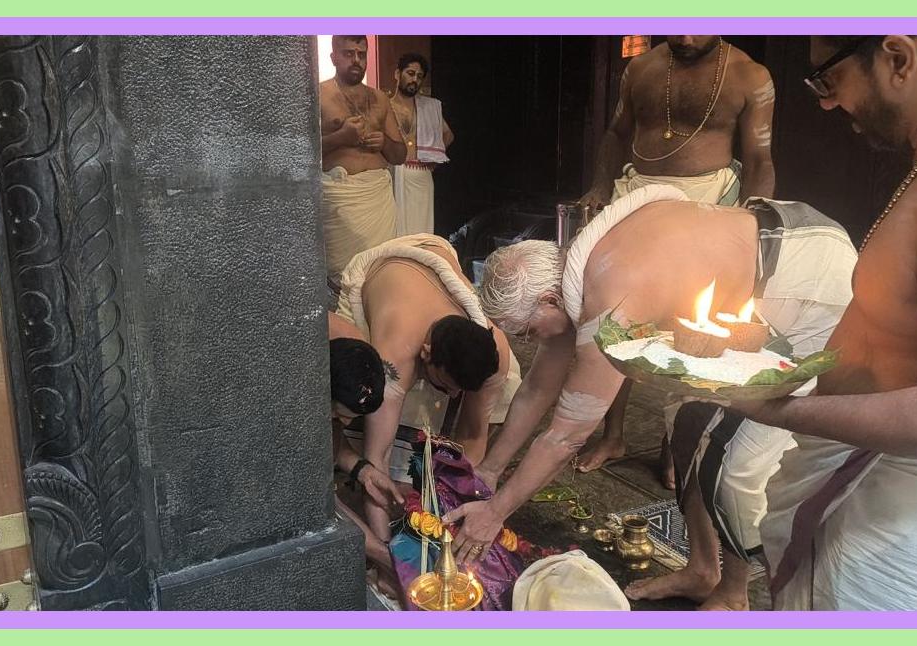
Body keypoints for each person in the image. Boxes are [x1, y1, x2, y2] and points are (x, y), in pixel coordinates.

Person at [448, 185, 855, 612]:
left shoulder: (612, 295)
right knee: (685, 422)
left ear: (549, 300)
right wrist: (489, 472)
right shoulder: (573, 274)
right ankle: (703, 570)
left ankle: (734, 594)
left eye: (529, 331)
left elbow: (567, 436)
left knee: (732, 461)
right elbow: (536, 389)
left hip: (808, 280)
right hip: (766, 264)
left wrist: (494, 514)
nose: (531, 342)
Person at [729, 35, 917, 610]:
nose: (826, 101)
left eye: (827, 77)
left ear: (897, 58)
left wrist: (777, 410)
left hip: (903, 528)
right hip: (869, 485)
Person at [576, 36, 777, 482]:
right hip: (638, 198)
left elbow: (759, 157)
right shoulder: (640, 69)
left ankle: (673, 446)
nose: (685, 37)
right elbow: (616, 133)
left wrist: (751, 218)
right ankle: (613, 434)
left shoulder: (749, 76)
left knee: (691, 326)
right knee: (617, 320)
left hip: (707, 203)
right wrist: (600, 185)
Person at [334, 233, 520, 541]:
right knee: (367, 401)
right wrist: (388, 550)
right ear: (426, 353)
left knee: (506, 382)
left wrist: (452, 501)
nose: (455, 396)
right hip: (382, 270)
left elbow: (474, 435)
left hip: (436, 255)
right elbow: (376, 462)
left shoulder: (494, 350)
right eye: (446, 385)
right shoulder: (394, 358)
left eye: (460, 389)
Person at [327, 314, 404, 597]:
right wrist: (386, 558)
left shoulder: (354, 358)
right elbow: (322, 505)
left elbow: (331, 442)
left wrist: (364, 471)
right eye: (339, 414)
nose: (346, 423)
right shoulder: (293, 411)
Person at [319, 35, 406, 284]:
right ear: (333, 58)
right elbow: (300, 154)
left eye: (361, 54)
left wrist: (385, 143)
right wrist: (341, 137)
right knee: (344, 280)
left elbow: (400, 155)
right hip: (342, 200)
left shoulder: (380, 99)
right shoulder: (318, 95)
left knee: (380, 273)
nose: (356, 60)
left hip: (377, 197)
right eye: (348, 54)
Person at [388, 53, 454, 236]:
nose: (414, 80)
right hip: (393, 173)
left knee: (421, 230)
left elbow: (448, 135)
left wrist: (435, 156)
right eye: (410, 73)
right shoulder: (386, 106)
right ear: (397, 74)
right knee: (395, 230)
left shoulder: (428, 107)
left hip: (421, 175)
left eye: (419, 76)